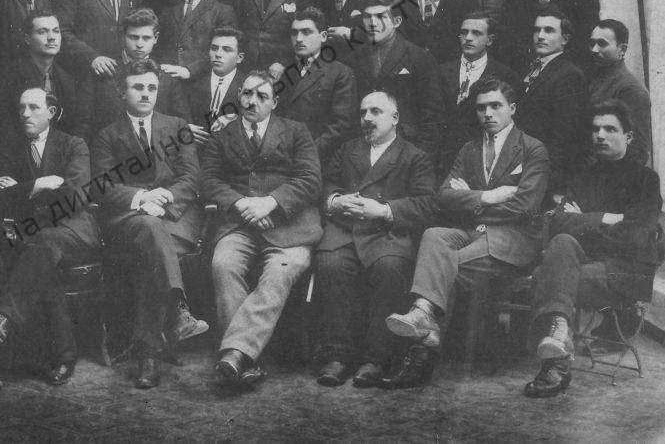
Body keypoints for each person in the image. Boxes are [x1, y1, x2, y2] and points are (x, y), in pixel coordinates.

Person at [383, 78, 550, 388]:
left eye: (495, 106)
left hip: (511, 241)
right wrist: (488, 196)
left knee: (441, 269)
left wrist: (469, 198)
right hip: (472, 232)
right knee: (434, 236)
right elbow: (443, 196)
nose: (488, 113)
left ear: (512, 108)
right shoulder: (469, 149)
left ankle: (422, 350)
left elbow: (524, 206)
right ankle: (424, 316)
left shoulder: (532, 149)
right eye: (481, 107)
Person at [523, 101, 662, 398]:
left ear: (628, 136)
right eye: (596, 129)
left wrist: (584, 220)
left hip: (626, 271)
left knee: (546, 275)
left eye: (610, 129)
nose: (600, 135)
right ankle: (560, 341)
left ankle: (556, 357)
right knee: (562, 242)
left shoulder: (645, 181)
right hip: (585, 262)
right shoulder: (584, 177)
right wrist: (607, 218)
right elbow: (559, 223)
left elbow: (636, 238)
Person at [200, 70, 322, 389]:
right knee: (223, 265)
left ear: (275, 102)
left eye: (262, 96)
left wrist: (270, 203)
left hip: (289, 226)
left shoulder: (296, 131)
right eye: (247, 94)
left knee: (281, 271)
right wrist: (242, 204)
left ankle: (235, 354)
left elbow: (310, 179)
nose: (252, 101)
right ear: (239, 95)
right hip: (239, 224)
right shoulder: (222, 135)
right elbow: (209, 180)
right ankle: (245, 359)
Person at [92, 59, 208, 389]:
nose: (146, 94)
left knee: (150, 254)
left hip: (176, 216)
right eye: (138, 87)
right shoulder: (107, 135)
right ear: (122, 91)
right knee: (149, 231)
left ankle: (148, 354)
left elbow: (190, 177)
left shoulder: (177, 126)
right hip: (130, 219)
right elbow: (103, 184)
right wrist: (142, 199)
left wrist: (165, 199)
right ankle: (178, 311)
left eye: (152, 87)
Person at [313, 91, 437, 387]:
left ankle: (376, 358)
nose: (367, 118)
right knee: (330, 262)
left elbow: (427, 204)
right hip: (346, 229)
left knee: (390, 267)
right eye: (363, 112)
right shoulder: (348, 150)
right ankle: (337, 356)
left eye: (375, 112)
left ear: (395, 118)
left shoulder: (414, 156)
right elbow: (327, 183)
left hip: (388, 232)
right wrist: (335, 201)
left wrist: (383, 210)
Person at [0, 87, 100, 388]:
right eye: (21, 108)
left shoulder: (73, 145)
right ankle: (63, 357)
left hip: (75, 233)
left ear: (52, 112)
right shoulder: (10, 147)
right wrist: (39, 184)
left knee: (43, 244)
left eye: (33, 107)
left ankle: (5, 319)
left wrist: (21, 190)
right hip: (34, 239)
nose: (25, 114)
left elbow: (74, 197)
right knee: (42, 264)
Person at [345, 0, 445, 163]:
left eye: (380, 17)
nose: (372, 23)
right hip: (365, 148)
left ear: (397, 21)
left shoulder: (418, 57)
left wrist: (421, 159)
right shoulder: (354, 59)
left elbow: (432, 115)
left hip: (407, 149)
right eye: (368, 17)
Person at [437, 13, 520, 178]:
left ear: (490, 40)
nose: (468, 38)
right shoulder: (441, 71)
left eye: (476, 33)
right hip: (443, 158)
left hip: (483, 160)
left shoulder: (505, 75)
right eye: (464, 32)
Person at [516, 8, 588, 199]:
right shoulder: (534, 67)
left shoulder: (569, 75)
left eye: (548, 30)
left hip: (545, 175)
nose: (540, 36)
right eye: (537, 30)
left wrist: (552, 183)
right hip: (525, 166)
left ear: (565, 39)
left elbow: (565, 135)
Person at [273, 7, 357, 164]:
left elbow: (340, 127)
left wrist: (306, 154)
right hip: (279, 154)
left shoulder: (340, 73)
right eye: (294, 33)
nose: (298, 38)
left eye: (306, 32)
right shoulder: (285, 72)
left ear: (323, 36)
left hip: (316, 160)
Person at [88, 9, 191, 135]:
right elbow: (85, 123)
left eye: (146, 38)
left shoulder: (168, 78)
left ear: (156, 38)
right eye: (134, 37)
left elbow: (183, 124)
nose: (139, 44)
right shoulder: (104, 70)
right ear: (123, 36)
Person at [0, 13, 89, 141]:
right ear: (27, 39)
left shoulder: (67, 79)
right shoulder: (8, 77)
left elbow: (76, 127)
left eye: (56, 31)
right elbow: (2, 128)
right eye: (42, 32)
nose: (51, 38)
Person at [156, 0, 237, 80]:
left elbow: (224, 53)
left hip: (201, 82)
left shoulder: (222, 12)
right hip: (167, 81)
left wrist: (190, 70)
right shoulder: (168, 11)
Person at [585, 19, 652, 164]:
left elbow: (638, 150)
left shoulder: (631, 90)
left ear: (622, 50)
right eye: (592, 43)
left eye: (602, 44)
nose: (594, 50)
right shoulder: (592, 79)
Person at [185, 26, 247, 143]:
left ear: (239, 58)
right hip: (194, 146)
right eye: (214, 48)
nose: (218, 54)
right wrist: (184, 127)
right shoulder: (193, 82)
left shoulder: (247, 85)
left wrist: (236, 118)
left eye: (226, 49)